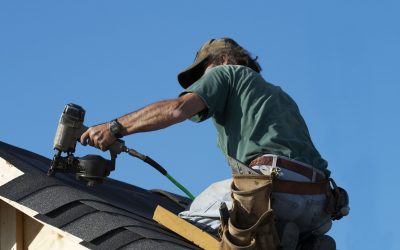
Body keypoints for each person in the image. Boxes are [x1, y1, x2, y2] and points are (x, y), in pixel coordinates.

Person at [80, 38, 336, 249]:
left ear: (223, 59)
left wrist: (113, 128)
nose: (198, 84)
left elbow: (176, 109)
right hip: (318, 204)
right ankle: (294, 239)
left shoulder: (228, 72)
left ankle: (267, 229)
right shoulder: (280, 96)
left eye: (203, 73)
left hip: (272, 189)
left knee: (184, 228)